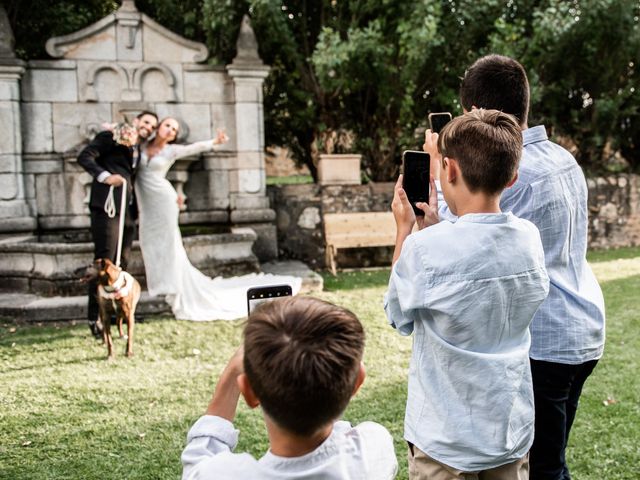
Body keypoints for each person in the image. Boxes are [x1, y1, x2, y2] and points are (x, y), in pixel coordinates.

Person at [425, 55, 606, 480]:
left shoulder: (515, 174)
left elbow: (461, 242)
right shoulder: (564, 158)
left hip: (544, 342)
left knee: (543, 468)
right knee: (548, 458)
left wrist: (441, 171)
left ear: (473, 113)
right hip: (582, 327)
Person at [385, 109, 550, 478]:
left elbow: (397, 314)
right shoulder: (529, 239)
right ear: (512, 178)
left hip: (446, 440)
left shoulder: (426, 249)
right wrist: (439, 231)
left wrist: (405, 230)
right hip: (509, 431)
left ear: (450, 170)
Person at [181, 295, 398, 479]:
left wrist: (230, 375)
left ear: (249, 391)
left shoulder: (223, 475)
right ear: (358, 380)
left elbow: (198, 460)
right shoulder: (374, 447)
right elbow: (342, 435)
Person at [135, 117, 301, 320]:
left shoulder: (171, 151)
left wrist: (215, 142)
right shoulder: (140, 145)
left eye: (174, 129)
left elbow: (193, 148)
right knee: (149, 241)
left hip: (164, 200)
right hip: (147, 204)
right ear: (159, 126)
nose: (170, 130)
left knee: (170, 243)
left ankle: (172, 284)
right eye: (167, 125)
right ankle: (159, 281)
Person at [78, 110, 158, 338]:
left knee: (121, 262)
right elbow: (85, 157)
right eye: (146, 122)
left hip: (127, 211)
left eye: (152, 126)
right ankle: (95, 319)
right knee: (104, 263)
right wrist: (105, 176)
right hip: (108, 206)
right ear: (135, 122)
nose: (148, 128)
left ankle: (116, 314)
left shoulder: (137, 149)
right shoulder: (112, 136)